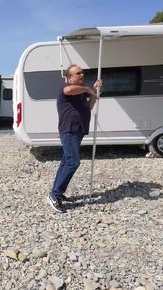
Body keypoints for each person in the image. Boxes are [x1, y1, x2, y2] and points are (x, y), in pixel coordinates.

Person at [47, 65, 102, 213]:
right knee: (73, 162)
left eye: (82, 73)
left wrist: (94, 92)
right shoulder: (66, 88)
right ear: (69, 77)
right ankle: (54, 195)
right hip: (69, 130)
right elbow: (69, 90)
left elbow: (89, 107)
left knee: (66, 162)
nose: (81, 75)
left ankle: (58, 192)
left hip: (78, 131)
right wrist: (87, 89)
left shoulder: (81, 92)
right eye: (78, 73)